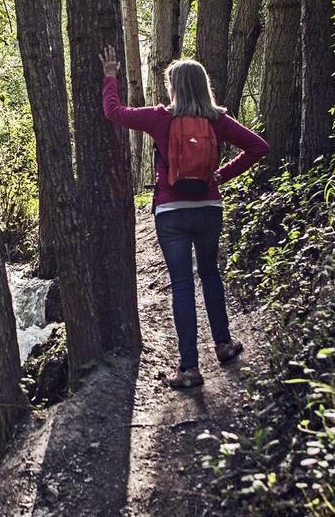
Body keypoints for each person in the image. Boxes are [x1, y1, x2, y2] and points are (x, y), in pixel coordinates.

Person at [100, 46, 269, 389]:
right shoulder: (217, 119)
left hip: (171, 212)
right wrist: (220, 175)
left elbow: (114, 112)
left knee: (181, 285)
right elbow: (258, 147)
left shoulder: (160, 118)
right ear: (203, 85)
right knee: (210, 274)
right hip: (208, 209)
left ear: (174, 86)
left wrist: (110, 76)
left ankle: (190, 368)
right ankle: (223, 344)